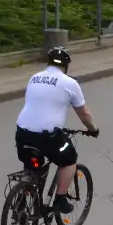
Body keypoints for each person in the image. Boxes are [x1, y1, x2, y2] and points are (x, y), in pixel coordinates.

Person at [14, 46, 99, 213]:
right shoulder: (70, 83)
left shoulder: (34, 78)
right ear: (66, 66)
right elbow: (85, 115)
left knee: (32, 163)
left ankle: (22, 199)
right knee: (69, 158)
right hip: (48, 137)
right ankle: (60, 198)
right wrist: (93, 129)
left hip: (22, 133)